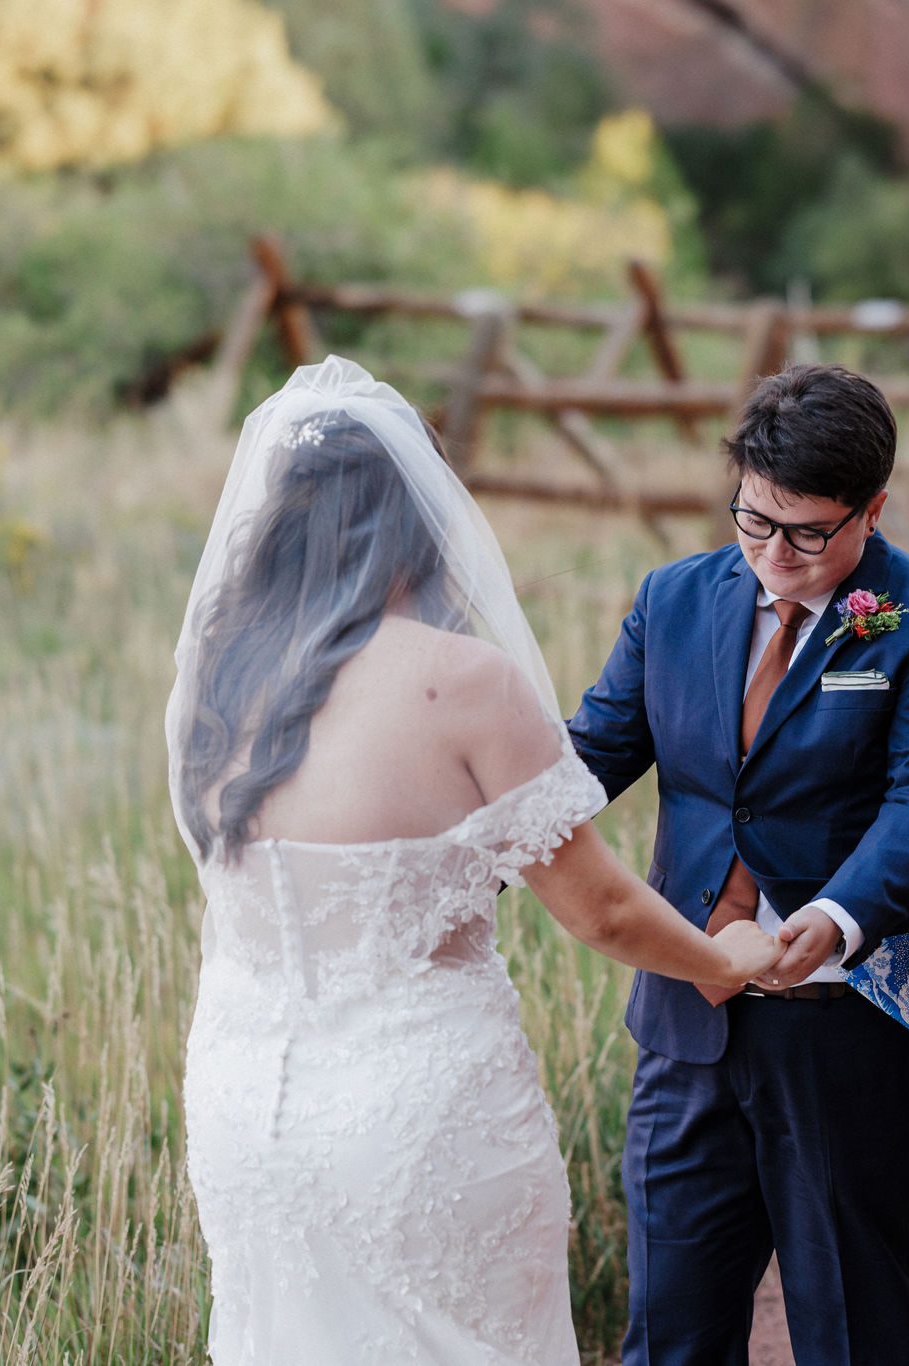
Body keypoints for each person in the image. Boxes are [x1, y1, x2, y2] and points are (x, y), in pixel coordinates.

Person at [167, 356, 780, 1365]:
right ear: (420, 520)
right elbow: (600, 912)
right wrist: (725, 961)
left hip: (241, 1107)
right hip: (417, 1112)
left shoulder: (220, 678)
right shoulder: (462, 683)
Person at [568, 362, 909, 1365]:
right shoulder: (672, 600)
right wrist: (468, 820)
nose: (775, 556)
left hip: (853, 1026)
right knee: (669, 1336)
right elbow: (592, 754)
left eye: (808, 533)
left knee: (850, 1333)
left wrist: (841, 913)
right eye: (753, 523)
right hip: (691, 1022)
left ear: (871, 511)